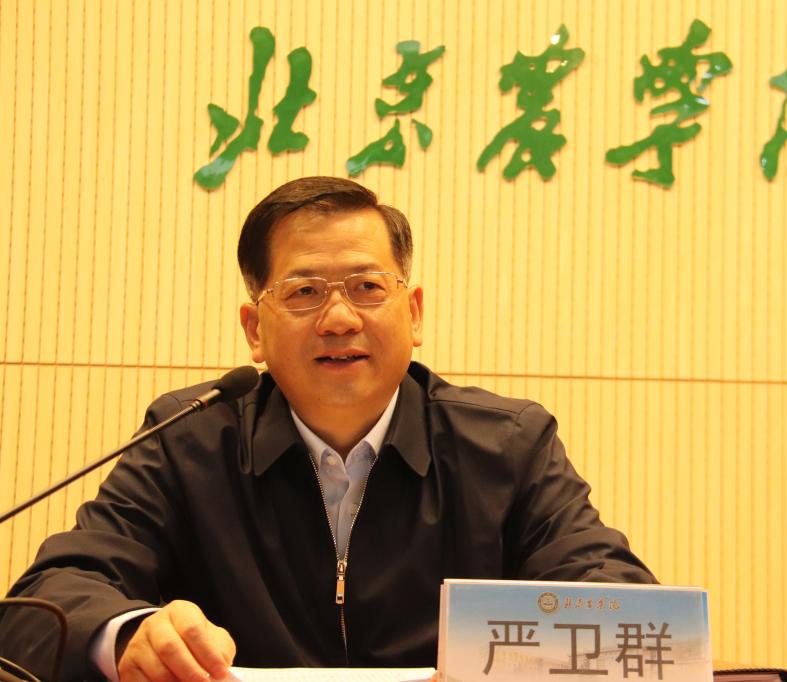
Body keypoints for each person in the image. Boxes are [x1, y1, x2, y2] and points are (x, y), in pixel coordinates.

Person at [0, 177, 655, 681]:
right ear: (255, 329)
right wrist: (128, 635)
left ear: (413, 312)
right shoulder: (190, 439)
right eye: (304, 292)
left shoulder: (506, 444)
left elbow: (620, 602)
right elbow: (45, 605)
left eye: (368, 286)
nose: (340, 319)